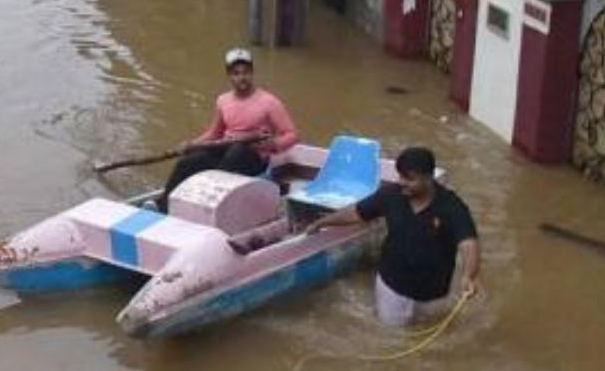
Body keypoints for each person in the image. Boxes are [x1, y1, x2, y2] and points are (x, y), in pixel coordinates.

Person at [306, 146, 480, 327]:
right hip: (392, 287)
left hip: (434, 294)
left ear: (428, 178)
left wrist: (469, 275)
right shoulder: (390, 195)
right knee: (390, 337)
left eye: (409, 179)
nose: (402, 182)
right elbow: (357, 213)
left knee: (430, 338)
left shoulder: (452, 206)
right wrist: (322, 222)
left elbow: (468, 243)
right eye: (401, 176)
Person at [155, 48, 299, 211]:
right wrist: (191, 144)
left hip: (255, 159)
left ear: (252, 73)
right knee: (188, 162)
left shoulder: (269, 102)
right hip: (226, 151)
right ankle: (164, 204)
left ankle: (207, 205)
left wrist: (272, 144)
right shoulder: (223, 100)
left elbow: (292, 135)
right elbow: (214, 134)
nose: (241, 77)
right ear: (229, 76)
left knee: (235, 152)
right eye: (236, 73)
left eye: (245, 72)